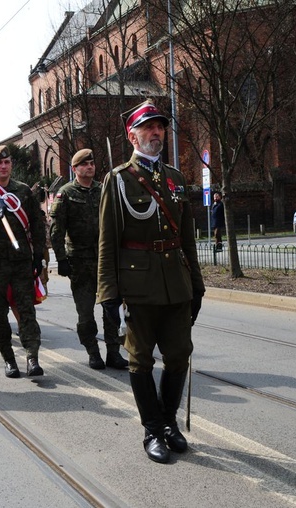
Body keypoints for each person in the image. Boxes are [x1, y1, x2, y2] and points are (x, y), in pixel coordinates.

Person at [97, 99, 205, 464]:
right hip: (138, 286)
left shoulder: (176, 179)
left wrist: (197, 283)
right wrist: (108, 293)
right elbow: (107, 242)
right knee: (140, 360)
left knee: (178, 356)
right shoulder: (118, 180)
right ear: (132, 135)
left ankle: (169, 422)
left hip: (176, 283)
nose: (156, 132)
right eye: (148, 128)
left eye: (159, 126)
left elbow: (187, 237)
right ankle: (152, 429)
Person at [0, 145, 47, 378]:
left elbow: (36, 222)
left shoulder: (23, 191)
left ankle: (32, 357)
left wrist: (39, 256)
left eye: (7, 162)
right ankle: (9, 359)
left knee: (27, 314)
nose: (3, 167)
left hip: (21, 262)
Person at [49, 148, 128, 370]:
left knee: (111, 309)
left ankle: (113, 352)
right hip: (79, 262)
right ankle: (93, 352)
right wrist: (61, 259)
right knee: (86, 314)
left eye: (92, 163)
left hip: (105, 261)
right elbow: (56, 230)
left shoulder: (103, 191)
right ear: (75, 169)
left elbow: (116, 222)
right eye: (84, 164)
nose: (90, 167)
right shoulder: (66, 194)